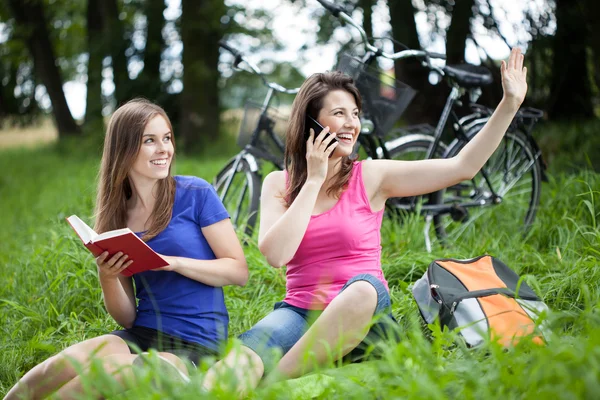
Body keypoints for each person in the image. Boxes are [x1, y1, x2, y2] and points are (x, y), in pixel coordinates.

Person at [203, 48, 528, 394]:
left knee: (361, 290)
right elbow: (275, 255)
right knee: (240, 362)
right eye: (339, 113)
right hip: (299, 313)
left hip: (366, 317)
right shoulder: (278, 184)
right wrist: (313, 180)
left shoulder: (371, 177)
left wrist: (508, 104)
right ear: (311, 123)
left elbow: (462, 167)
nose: (351, 124)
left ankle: (273, 384)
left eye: (355, 114)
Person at [4, 99, 248, 400]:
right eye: (150, 141)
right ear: (125, 149)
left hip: (196, 342)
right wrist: (106, 275)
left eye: (167, 138)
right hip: (141, 334)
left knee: (101, 374)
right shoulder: (116, 219)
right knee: (56, 367)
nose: (164, 149)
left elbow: (238, 271)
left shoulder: (195, 193)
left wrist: (173, 263)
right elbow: (128, 318)